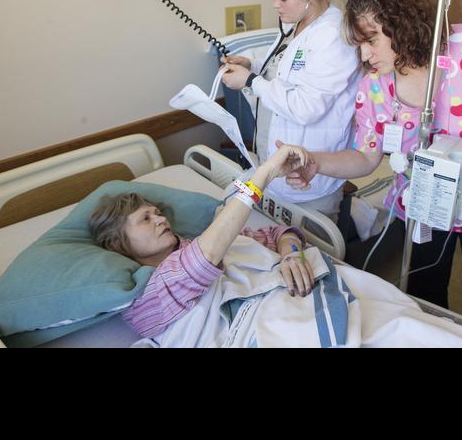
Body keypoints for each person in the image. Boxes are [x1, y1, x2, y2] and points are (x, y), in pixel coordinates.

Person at [283, 0, 462, 339]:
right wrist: (315, 161)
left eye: (371, 41)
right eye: (358, 46)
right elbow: (365, 158)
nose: (364, 56)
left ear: (404, 25)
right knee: (425, 300)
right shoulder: (375, 85)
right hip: (423, 204)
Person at [89, 143, 314, 338]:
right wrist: (264, 174)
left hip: (299, 301)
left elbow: (281, 233)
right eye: (145, 218)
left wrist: (292, 254)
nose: (160, 219)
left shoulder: (210, 240)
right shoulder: (144, 298)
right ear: (117, 244)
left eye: (157, 212)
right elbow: (201, 261)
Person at [220, 0, 361, 222]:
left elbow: (306, 107)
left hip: (310, 177)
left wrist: (250, 81)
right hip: (277, 163)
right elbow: (289, 65)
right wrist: (253, 62)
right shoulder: (302, 23)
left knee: (309, 258)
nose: (275, 4)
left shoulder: (334, 37)